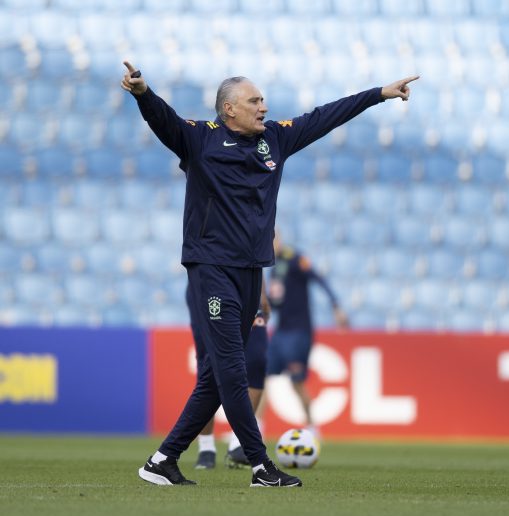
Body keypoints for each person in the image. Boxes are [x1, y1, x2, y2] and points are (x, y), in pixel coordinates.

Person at [121, 61, 417, 488]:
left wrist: (378, 94)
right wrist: (143, 93)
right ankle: (262, 466)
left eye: (263, 100)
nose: (264, 106)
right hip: (212, 268)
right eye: (254, 101)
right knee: (233, 370)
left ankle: (162, 460)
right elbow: (163, 121)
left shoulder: (275, 139)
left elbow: (323, 117)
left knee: (215, 378)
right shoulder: (200, 138)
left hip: (251, 271)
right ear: (229, 110)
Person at [267, 232, 348, 433]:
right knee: (260, 378)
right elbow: (276, 301)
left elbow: (319, 279)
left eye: (271, 239)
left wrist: (335, 305)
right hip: (280, 332)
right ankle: (255, 429)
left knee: (297, 381)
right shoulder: (273, 266)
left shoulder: (295, 259)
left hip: (299, 332)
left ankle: (312, 426)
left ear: (279, 239)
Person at [193, 283, 271, 470]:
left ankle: (239, 442)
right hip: (219, 291)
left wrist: (262, 292)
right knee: (210, 370)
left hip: (250, 295)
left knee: (257, 361)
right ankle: (206, 447)